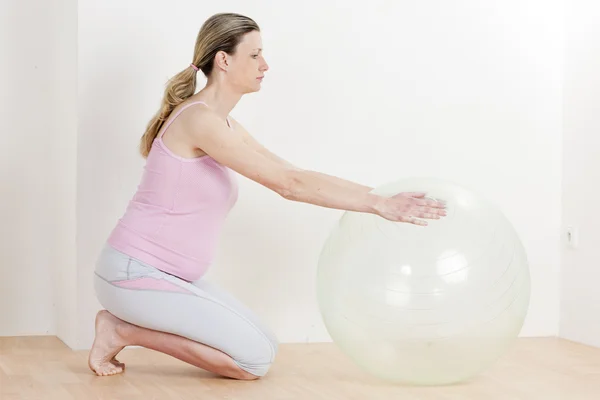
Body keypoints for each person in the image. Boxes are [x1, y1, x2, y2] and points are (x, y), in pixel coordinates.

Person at [88, 12, 447, 380]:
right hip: (135, 274)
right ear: (224, 60)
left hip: (165, 278)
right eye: (255, 55)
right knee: (252, 362)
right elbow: (288, 185)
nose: (265, 65)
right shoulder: (200, 121)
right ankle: (121, 330)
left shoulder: (221, 122)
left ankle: (122, 328)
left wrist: (379, 197)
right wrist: (378, 205)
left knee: (267, 347)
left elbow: (293, 173)